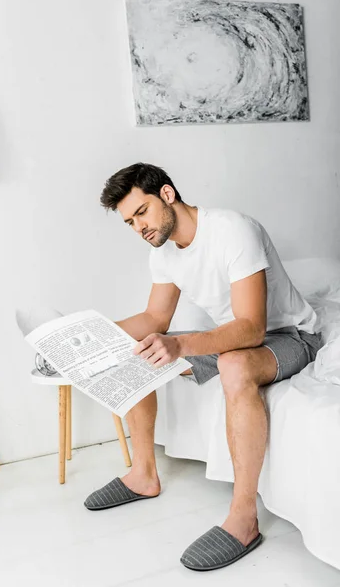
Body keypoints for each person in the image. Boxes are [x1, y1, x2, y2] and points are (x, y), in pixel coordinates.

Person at [84, 162, 322, 571]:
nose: (138, 228)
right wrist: (88, 336)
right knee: (135, 353)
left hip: (290, 335)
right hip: (232, 333)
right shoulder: (163, 254)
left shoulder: (232, 229)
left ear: (167, 195)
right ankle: (143, 475)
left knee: (234, 367)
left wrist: (179, 345)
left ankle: (244, 519)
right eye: (129, 223)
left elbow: (252, 327)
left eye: (141, 213)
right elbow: (154, 321)